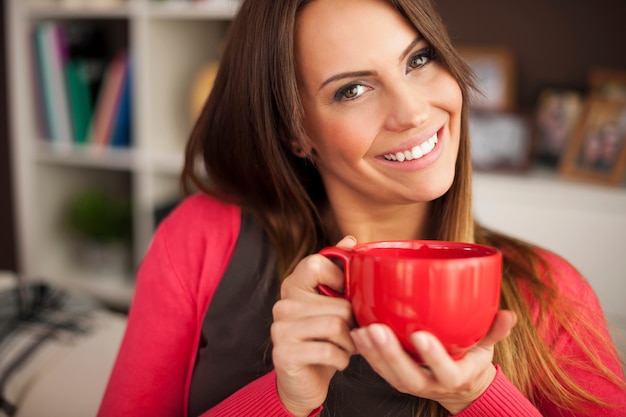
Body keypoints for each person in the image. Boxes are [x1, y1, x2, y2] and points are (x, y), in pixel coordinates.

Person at [97, 0, 626, 416]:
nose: (414, 110)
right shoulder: (202, 239)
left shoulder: (550, 291)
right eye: (352, 90)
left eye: (419, 59)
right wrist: (282, 400)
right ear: (295, 133)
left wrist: (478, 397)